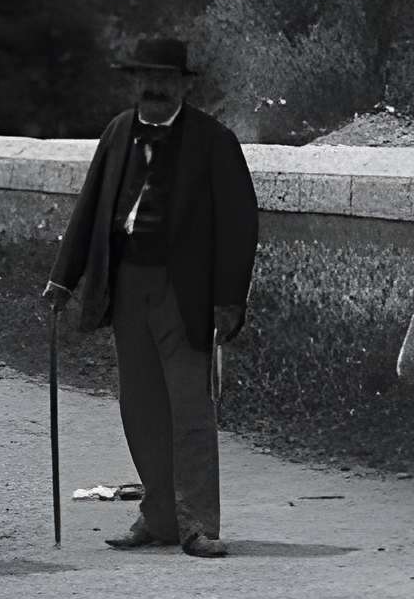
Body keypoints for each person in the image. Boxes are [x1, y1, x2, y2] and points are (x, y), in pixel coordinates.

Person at [42, 34, 260, 559]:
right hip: (127, 286)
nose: (155, 88)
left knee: (189, 408)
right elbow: (89, 209)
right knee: (139, 408)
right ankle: (159, 516)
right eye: (146, 78)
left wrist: (229, 300)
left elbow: (239, 226)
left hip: (184, 292)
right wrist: (62, 280)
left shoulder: (214, 141)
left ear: (184, 86)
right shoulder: (118, 132)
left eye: (166, 79)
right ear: (134, 82)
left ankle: (197, 524)